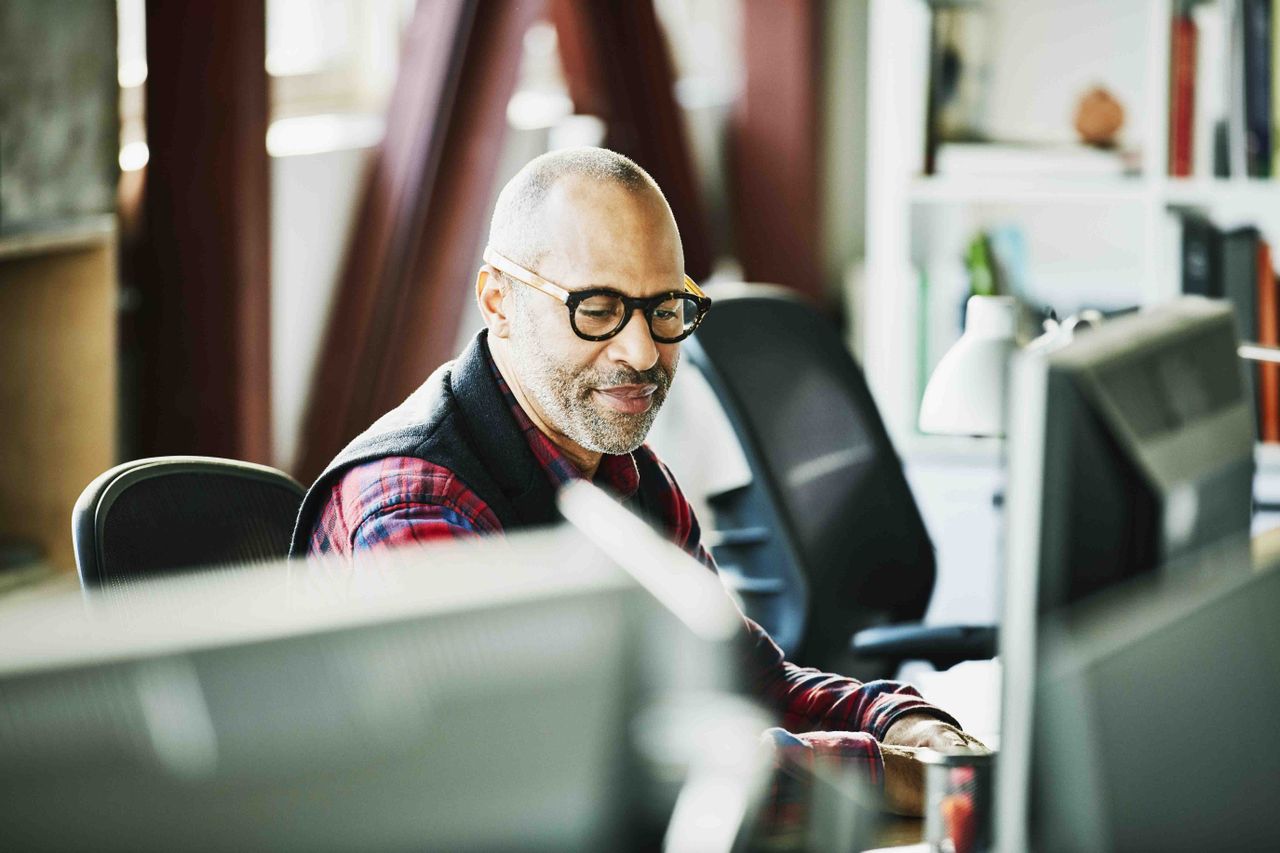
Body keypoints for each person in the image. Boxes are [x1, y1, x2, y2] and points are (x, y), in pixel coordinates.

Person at [291, 147, 986, 818]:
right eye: (596, 309)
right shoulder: (415, 502)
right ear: (497, 299)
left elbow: (747, 682)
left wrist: (903, 721)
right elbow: (550, 776)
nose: (643, 351)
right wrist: (874, 771)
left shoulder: (625, 475)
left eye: (663, 309)